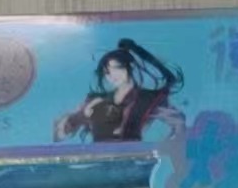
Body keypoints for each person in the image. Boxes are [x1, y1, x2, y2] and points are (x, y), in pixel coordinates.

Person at [54, 39, 185, 143]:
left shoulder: (148, 98)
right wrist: (76, 118)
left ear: (130, 67)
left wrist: (162, 148)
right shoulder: (96, 99)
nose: (112, 76)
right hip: (98, 156)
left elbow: (178, 123)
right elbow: (62, 133)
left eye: (117, 68)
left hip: (132, 157)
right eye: (107, 72)